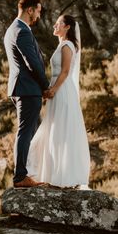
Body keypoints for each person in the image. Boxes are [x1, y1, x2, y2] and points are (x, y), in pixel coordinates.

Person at [26, 14, 91, 188]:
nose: (55, 25)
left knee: (59, 128)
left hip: (61, 91)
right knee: (54, 128)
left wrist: (53, 89)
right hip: (57, 90)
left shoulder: (67, 45)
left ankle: (63, 175)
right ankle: (53, 172)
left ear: (67, 27)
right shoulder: (62, 45)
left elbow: (65, 71)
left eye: (58, 23)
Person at [4, 0, 50, 188]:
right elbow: (32, 63)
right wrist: (45, 86)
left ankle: (28, 172)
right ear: (30, 9)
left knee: (31, 132)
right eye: (38, 11)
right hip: (27, 89)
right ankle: (21, 176)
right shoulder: (21, 31)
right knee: (25, 132)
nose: (38, 15)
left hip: (22, 87)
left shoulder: (13, 29)